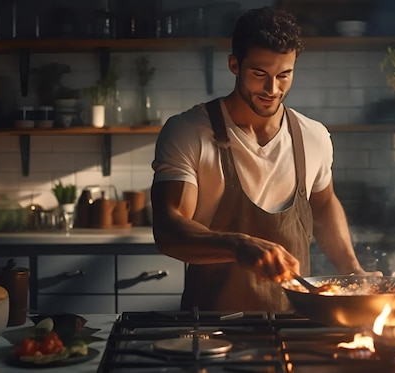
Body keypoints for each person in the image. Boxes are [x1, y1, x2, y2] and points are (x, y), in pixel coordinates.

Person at [151, 6, 381, 312]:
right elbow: (169, 229)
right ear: (235, 65)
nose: (273, 89)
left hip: (296, 325)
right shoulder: (188, 132)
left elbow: (323, 205)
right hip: (211, 331)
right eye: (259, 74)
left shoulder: (313, 137)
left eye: (284, 75)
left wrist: (353, 271)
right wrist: (239, 245)